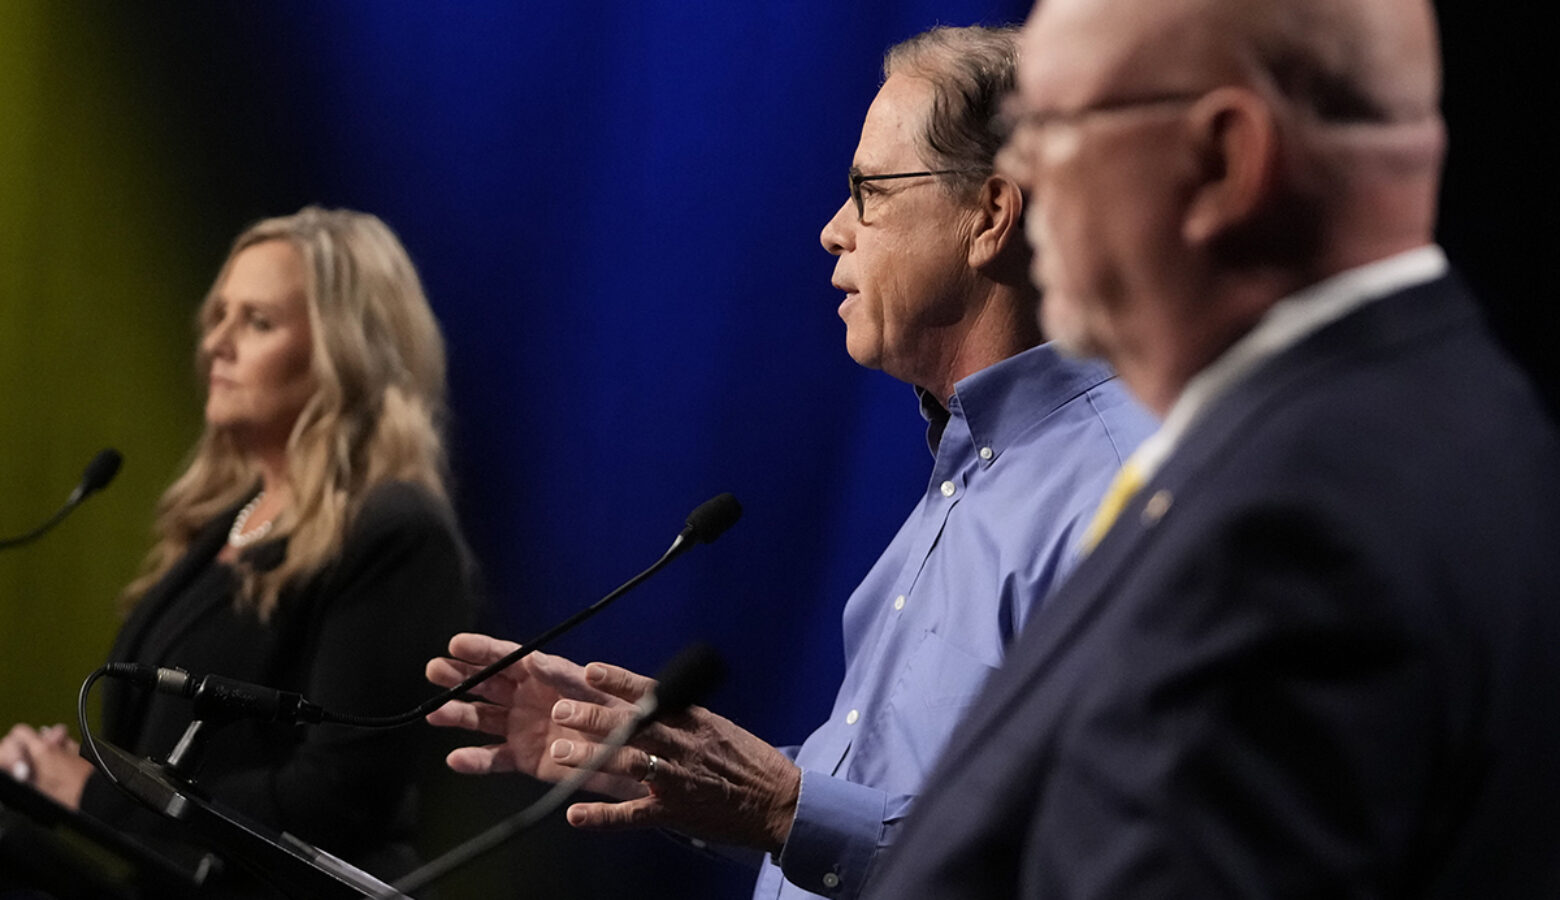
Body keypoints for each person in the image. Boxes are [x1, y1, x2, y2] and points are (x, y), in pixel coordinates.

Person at [424, 25, 1154, 900]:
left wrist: (785, 808)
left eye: (868, 191)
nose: (832, 232)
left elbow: (1086, 853)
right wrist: (666, 765)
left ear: (991, 215)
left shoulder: (1121, 490)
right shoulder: (968, 477)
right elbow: (890, 804)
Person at [861, 0, 1560, 897]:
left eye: (1050, 125)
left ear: (1224, 161)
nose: (1019, 178)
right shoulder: (1458, 412)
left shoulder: (1294, 534)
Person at [0, 207, 476, 895]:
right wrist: (49, 770)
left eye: (257, 321)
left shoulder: (396, 532)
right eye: (218, 315)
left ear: (347, 352)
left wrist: (95, 797)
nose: (215, 343)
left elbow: (339, 797)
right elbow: (173, 756)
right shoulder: (225, 520)